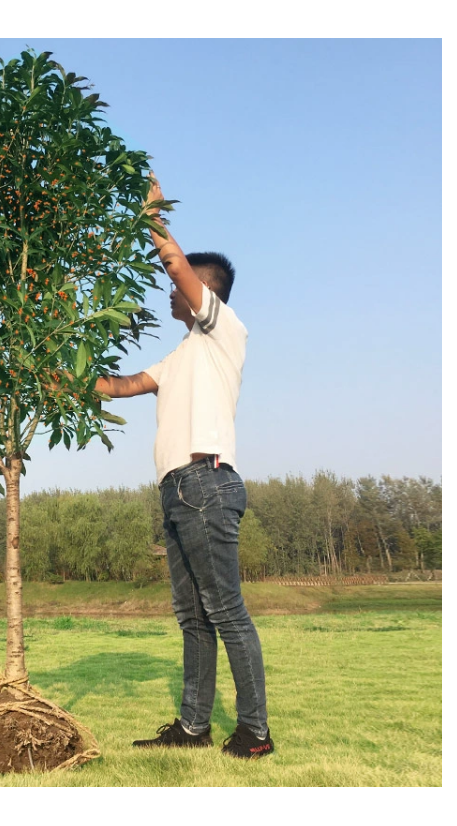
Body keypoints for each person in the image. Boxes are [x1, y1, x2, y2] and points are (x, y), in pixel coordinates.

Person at [93, 174, 274, 759]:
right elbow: (121, 387)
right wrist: (63, 377)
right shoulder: (179, 356)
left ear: (206, 289)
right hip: (177, 491)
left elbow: (175, 266)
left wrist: (153, 218)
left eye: (182, 286)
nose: (169, 294)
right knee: (193, 618)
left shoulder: (225, 331)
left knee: (225, 610)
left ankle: (255, 732)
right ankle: (194, 727)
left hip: (207, 484)